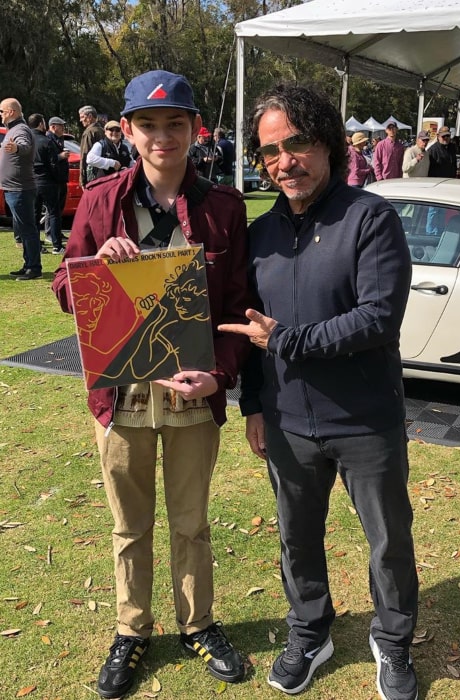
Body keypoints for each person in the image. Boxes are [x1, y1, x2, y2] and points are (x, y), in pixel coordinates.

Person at [52, 70, 250, 699]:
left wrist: (219, 377)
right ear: (128, 130)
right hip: (123, 394)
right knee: (129, 526)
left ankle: (199, 623)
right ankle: (131, 629)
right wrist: (94, 269)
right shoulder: (100, 199)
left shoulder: (223, 208)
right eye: (148, 125)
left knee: (190, 523)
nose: (162, 136)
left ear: (196, 129)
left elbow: (238, 306)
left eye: (175, 124)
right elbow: (64, 289)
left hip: (191, 395)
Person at [218, 84, 418, 700]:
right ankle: (310, 631)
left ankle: (393, 643)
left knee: (388, 541)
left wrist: (287, 342)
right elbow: (251, 325)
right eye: (271, 151)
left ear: (327, 142)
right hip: (286, 421)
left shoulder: (370, 217)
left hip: (365, 420)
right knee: (296, 536)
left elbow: (378, 317)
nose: (285, 162)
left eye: (298, 144)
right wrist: (254, 403)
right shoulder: (262, 233)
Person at [0, 97, 42, 280]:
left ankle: (34, 268)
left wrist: (16, 147)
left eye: (2, 111)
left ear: (12, 112)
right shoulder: (13, 129)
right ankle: (28, 264)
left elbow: (25, 146)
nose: (0, 115)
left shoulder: (21, 129)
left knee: (27, 229)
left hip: (20, 189)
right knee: (24, 229)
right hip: (14, 188)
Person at [28, 113, 65, 254]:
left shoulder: (26, 140)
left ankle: (36, 244)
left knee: (35, 214)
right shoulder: (46, 141)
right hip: (47, 180)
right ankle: (57, 245)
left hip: (32, 180)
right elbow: (53, 164)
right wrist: (58, 178)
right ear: (40, 124)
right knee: (54, 212)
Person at [46, 116, 70, 229]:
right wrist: (60, 156)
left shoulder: (59, 139)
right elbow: (47, 158)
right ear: (53, 127)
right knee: (52, 208)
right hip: (53, 178)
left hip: (61, 177)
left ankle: (56, 231)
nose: (63, 128)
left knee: (59, 207)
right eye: (61, 126)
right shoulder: (48, 139)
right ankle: (50, 232)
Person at [78, 105, 105, 187]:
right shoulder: (102, 130)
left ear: (89, 116)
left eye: (82, 117)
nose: (80, 120)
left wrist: (82, 179)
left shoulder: (89, 132)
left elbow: (85, 155)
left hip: (92, 176)